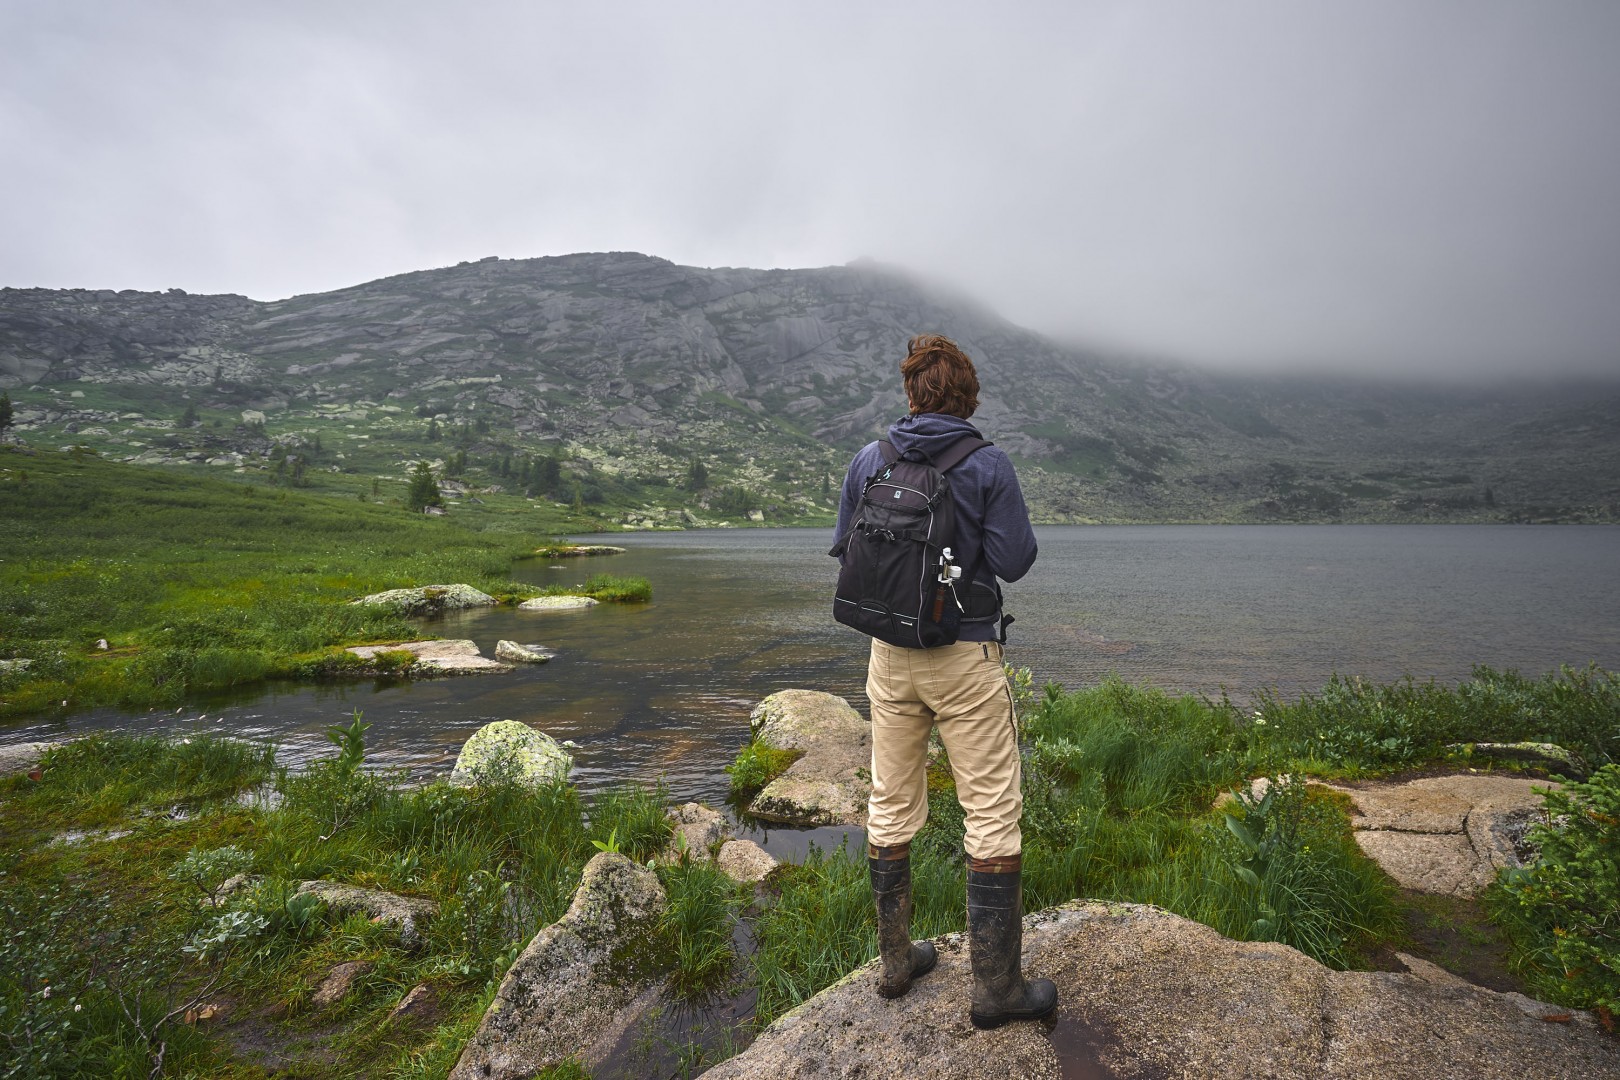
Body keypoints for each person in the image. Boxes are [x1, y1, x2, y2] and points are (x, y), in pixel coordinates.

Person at [833, 333, 1056, 1029]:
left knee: (890, 802)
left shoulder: (871, 460)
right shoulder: (987, 463)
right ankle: (995, 990)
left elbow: (847, 548)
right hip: (964, 658)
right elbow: (1015, 562)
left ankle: (896, 965)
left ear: (909, 394)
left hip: (888, 655)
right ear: (967, 398)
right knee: (990, 813)